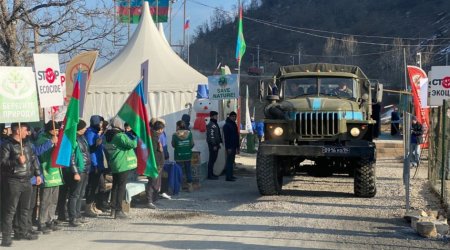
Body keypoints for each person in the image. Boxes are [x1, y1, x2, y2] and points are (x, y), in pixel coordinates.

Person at [1, 123, 41, 246]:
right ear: (17, 130)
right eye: (25, 130)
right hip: (13, 181)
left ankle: (22, 232)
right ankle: (6, 237)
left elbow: (33, 159)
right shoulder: (7, 145)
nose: (27, 132)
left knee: (25, 208)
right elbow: (2, 163)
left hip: (27, 180)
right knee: (10, 209)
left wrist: (38, 174)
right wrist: (16, 161)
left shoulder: (27, 144)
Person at [103, 117, 137, 219]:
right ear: (119, 125)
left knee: (115, 186)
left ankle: (113, 209)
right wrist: (135, 135)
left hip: (114, 163)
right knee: (121, 187)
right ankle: (118, 210)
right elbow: (132, 144)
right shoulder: (119, 136)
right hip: (122, 164)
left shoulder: (106, 136)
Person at [35, 121, 63, 234]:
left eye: (57, 130)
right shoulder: (42, 139)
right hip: (46, 172)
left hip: (56, 173)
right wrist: (51, 143)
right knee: (45, 200)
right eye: (54, 130)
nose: (56, 132)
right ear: (49, 130)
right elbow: (39, 152)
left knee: (54, 200)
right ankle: (41, 222)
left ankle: (50, 220)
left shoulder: (55, 138)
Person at [66, 120, 91, 227]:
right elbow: (71, 157)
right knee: (74, 194)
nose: (85, 129)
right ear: (79, 128)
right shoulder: (73, 139)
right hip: (78, 170)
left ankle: (77, 214)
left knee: (81, 194)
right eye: (83, 127)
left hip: (85, 169)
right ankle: (72, 217)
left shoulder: (82, 138)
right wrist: (75, 171)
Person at [84, 115, 105, 217]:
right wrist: (95, 164)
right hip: (94, 164)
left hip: (99, 163)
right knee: (92, 186)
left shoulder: (96, 133)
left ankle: (93, 205)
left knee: (97, 186)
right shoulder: (90, 133)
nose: (101, 125)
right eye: (100, 123)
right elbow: (90, 151)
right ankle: (88, 207)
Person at [146, 121, 165, 209]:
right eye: (162, 129)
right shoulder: (153, 137)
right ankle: (149, 201)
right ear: (159, 129)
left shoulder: (155, 136)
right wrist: (156, 164)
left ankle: (154, 199)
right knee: (152, 181)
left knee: (157, 182)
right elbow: (153, 152)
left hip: (158, 163)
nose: (162, 131)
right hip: (155, 163)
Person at [172, 120, 194, 191]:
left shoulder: (175, 135)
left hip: (178, 155)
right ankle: (190, 187)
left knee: (179, 171)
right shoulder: (189, 134)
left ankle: (180, 187)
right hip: (187, 155)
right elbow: (192, 144)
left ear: (178, 126)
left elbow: (173, 145)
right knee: (188, 171)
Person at [223, 112, 240, 182]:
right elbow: (226, 138)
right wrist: (228, 147)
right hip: (230, 146)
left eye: (235, 116)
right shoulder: (227, 125)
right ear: (230, 117)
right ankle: (228, 177)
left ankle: (231, 175)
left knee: (232, 161)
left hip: (233, 146)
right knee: (229, 162)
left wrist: (237, 147)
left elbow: (236, 136)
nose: (234, 118)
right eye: (232, 116)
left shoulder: (233, 124)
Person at [206, 111, 222, 180]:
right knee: (211, 160)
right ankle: (210, 175)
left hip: (216, 144)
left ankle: (211, 173)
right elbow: (211, 136)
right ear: (212, 116)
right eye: (216, 116)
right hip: (213, 145)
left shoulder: (214, 124)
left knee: (213, 160)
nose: (217, 117)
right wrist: (214, 145)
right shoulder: (211, 124)